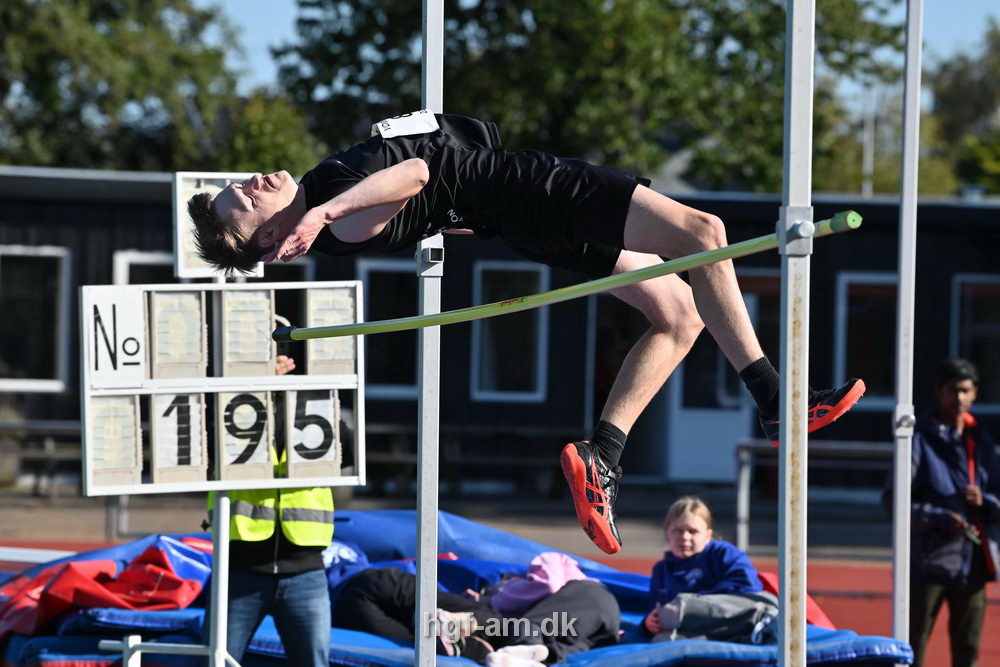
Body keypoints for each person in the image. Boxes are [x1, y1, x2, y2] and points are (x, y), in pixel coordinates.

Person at [187, 111, 866, 555]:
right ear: (274, 237)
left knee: (680, 314)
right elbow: (421, 171)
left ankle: (602, 455)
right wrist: (328, 208)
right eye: (246, 202)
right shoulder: (334, 205)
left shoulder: (331, 198)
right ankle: (776, 398)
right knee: (705, 233)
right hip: (531, 190)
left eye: (241, 187)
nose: (252, 181)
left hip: (519, 217)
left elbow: (417, 175)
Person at [204, 354, 335, 667]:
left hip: (305, 572)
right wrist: (258, 392)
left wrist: (291, 400)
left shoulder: (318, 411)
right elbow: (208, 442)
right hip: (239, 571)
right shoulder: (231, 408)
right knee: (217, 662)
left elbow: (345, 447)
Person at [881, 359, 1000, 667]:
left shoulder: (983, 441)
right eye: (952, 390)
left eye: (965, 391)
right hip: (927, 563)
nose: (958, 398)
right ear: (939, 392)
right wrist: (940, 519)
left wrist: (984, 502)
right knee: (911, 648)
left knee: (968, 648)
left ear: (974, 394)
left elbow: (997, 499)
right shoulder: (917, 438)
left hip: (971, 562)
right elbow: (895, 502)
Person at [331, 562, 620, 666]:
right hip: (515, 634)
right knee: (366, 603)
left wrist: (499, 597)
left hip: (512, 626)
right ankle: (485, 649)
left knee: (373, 588)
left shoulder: (576, 581)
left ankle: (523, 647)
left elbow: (548, 579)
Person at [644, 496, 775, 643]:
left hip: (727, 620)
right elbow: (655, 608)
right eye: (677, 531)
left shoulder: (723, 553)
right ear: (667, 534)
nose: (685, 537)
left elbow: (749, 585)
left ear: (708, 535)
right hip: (688, 628)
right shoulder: (661, 570)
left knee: (678, 609)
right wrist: (648, 623)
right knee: (662, 638)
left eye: (693, 531)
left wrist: (696, 601)